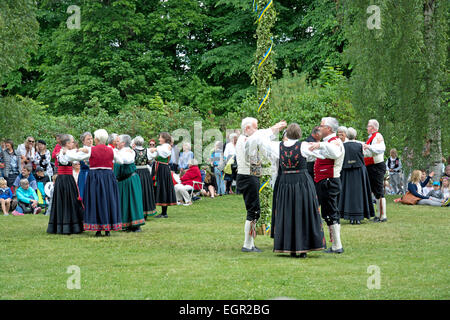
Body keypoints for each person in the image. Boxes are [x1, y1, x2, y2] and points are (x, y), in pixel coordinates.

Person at [250, 123, 326, 258]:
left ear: (287, 134)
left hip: (285, 182)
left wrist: (273, 129)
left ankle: (289, 246)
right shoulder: (303, 146)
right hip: (302, 182)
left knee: (287, 213)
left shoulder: (277, 146)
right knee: (303, 212)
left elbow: (259, 139)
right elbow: (322, 155)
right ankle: (302, 248)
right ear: (299, 134)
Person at [236, 117, 286, 253]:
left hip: (250, 176)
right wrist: (274, 128)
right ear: (247, 128)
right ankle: (247, 244)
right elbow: (260, 136)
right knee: (253, 211)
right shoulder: (246, 139)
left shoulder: (247, 139)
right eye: (255, 127)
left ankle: (250, 243)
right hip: (248, 176)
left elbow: (260, 137)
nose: (257, 130)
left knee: (254, 211)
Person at [64, 129, 123, 236]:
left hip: (95, 178)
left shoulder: (92, 150)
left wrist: (66, 152)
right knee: (108, 200)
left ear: (96, 139)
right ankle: (107, 229)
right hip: (108, 177)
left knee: (96, 200)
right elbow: (121, 161)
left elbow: (77, 157)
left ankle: (98, 229)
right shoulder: (111, 150)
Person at [307, 117, 345, 254]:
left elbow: (334, 153)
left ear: (328, 128)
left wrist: (320, 145)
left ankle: (337, 245)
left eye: (321, 126)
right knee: (328, 213)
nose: (319, 128)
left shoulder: (335, 142)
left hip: (330, 181)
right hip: (324, 181)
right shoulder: (327, 142)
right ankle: (335, 244)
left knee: (331, 212)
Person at [46, 134, 84, 234]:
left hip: (68, 179)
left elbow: (78, 157)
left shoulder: (68, 152)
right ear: (67, 143)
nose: (73, 143)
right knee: (65, 201)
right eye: (72, 142)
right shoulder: (62, 153)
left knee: (71, 201)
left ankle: (72, 225)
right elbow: (63, 161)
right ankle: (66, 227)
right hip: (64, 180)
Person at [338, 128, 375, 224]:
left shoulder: (343, 146)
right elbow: (369, 154)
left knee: (348, 193)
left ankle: (350, 217)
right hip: (359, 172)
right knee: (359, 194)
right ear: (355, 136)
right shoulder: (360, 145)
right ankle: (358, 217)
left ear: (346, 135)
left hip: (347, 172)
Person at [114, 135, 145, 232]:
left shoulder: (129, 152)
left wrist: (116, 154)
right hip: (122, 180)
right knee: (124, 202)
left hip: (130, 180)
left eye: (118, 141)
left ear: (123, 143)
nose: (116, 142)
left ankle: (136, 225)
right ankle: (127, 224)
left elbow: (126, 161)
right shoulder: (119, 151)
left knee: (133, 201)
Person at [363, 119, 387, 222]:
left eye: (368, 126)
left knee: (379, 191)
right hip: (371, 166)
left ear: (373, 128)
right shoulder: (371, 137)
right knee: (375, 192)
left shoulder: (378, 136)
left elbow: (381, 148)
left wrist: (368, 146)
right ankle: (378, 215)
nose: (367, 128)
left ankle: (383, 215)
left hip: (376, 166)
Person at [149, 132, 177, 218]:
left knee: (163, 188)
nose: (159, 139)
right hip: (158, 168)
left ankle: (164, 213)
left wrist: (156, 149)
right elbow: (153, 155)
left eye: (160, 137)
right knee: (158, 187)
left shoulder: (166, 147)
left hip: (163, 169)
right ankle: (158, 210)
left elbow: (165, 153)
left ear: (164, 139)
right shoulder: (161, 147)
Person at [133, 136, 157, 219]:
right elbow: (151, 159)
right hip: (145, 172)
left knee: (138, 192)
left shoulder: (133, 151)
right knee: (146, 191)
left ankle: (138, 212)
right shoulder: (147, 151)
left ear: (135, 143)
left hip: (136, 172)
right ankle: (146, 211)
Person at [77, 132, 93, 202]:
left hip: (94, 174)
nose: (90, 140)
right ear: (83, 141)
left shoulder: (95, 148)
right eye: (88, 139)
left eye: (91, 138)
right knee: (84, 192)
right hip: (84, 175)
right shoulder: (81, 151)